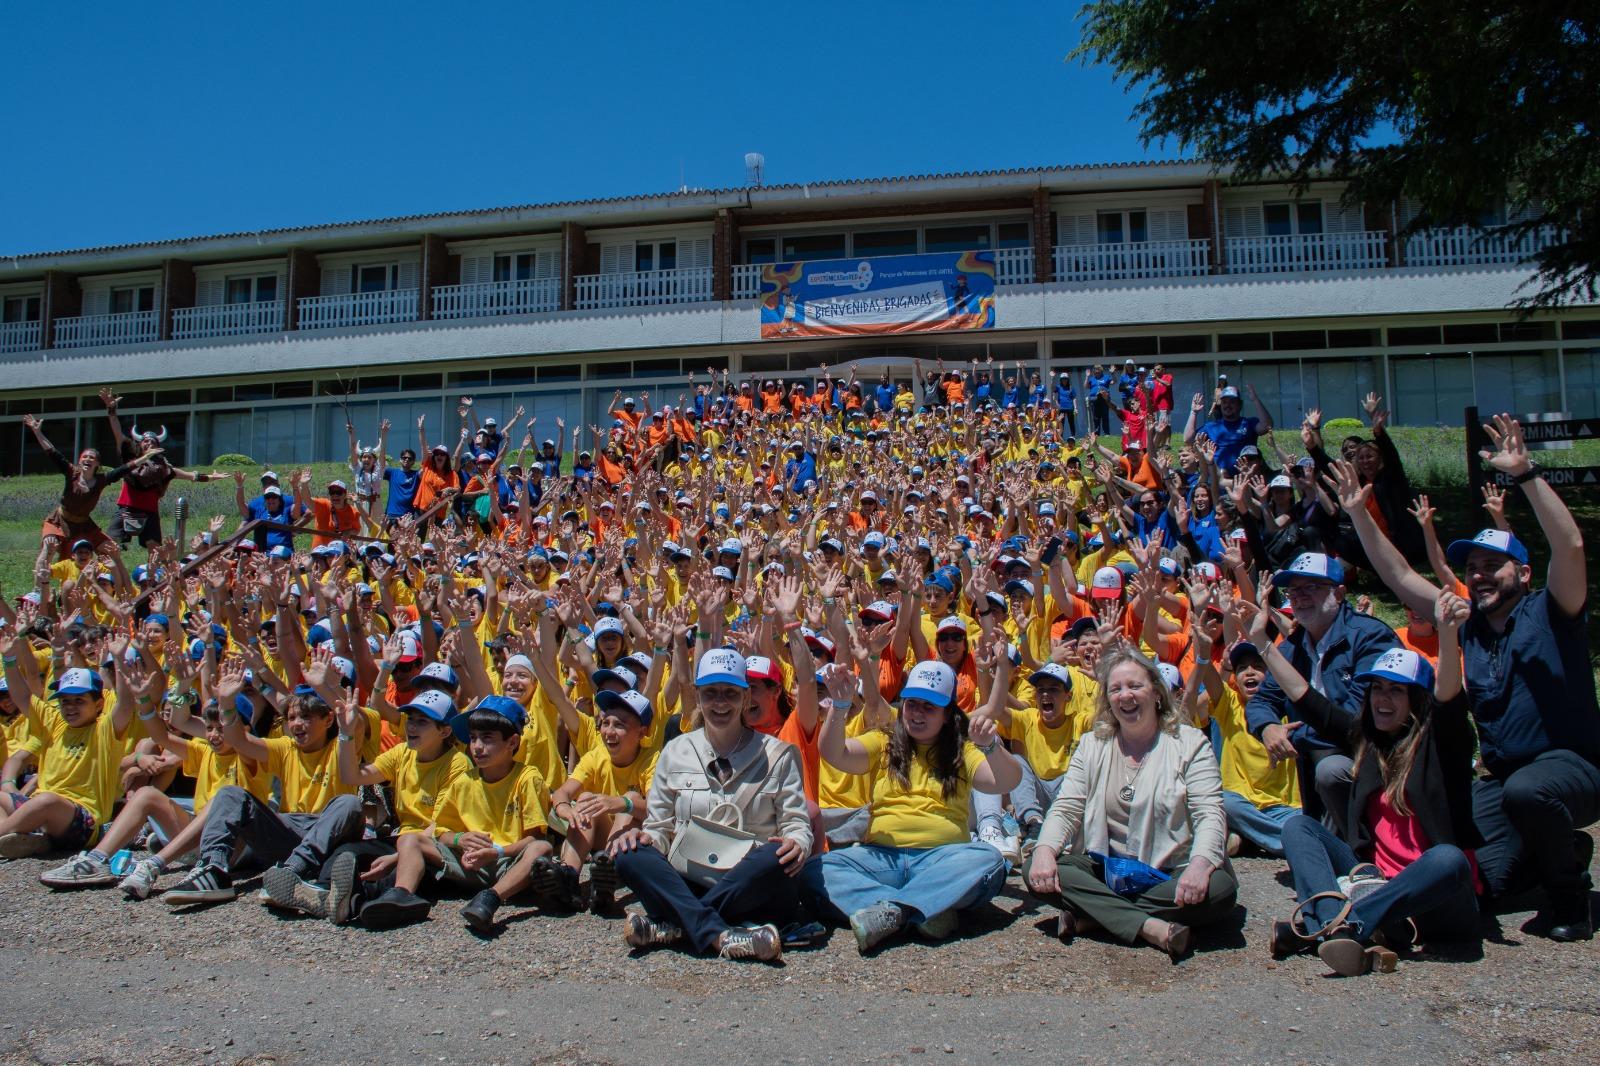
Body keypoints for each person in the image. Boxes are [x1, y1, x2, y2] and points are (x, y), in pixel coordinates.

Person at [1328, 419, 1600, 941]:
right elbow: (1399, 576)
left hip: (1573, 767)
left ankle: (1571, 902)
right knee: (1483, 880)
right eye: (1471, 566)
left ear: (1522, 573)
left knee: (1529, 792)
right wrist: (1360, 514)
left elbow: (1569, 548)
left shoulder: (1554, 610)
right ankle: (1557, 855)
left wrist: (1526, 474)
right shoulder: (1466, 623)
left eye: (1492, 565)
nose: (1478, 574)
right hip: (1502, 778)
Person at [1251, 591, 1482, 975]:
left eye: (1395, 690)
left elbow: (1449, 701)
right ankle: (1342, 926)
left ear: (1418, 701)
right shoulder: (1367, 740)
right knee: (1299, 826)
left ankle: (1338, 927)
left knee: (1448, 859)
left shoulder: (1442, 746)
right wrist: (1261, 643)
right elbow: (1308, 699)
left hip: (1434, 900)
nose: (1382, 699)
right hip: (1374, 882)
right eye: (1376, 688)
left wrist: (1447, 631)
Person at [801, 658, 1022, 954]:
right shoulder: (884, 741)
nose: (917, 713)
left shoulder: (963, 749)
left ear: (947, 714)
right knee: (815, 870)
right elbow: (834, 753)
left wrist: (992, 746)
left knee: (989, 860)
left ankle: (894, 910)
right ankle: (923, 908)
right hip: (881, 859)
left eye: (929, 706)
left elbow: (1004, 782)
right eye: (912, 703)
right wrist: (840, 707)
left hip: (942, 859)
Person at [1026, 647, 1235, 960]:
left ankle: (1095, 915)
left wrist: (1200, 866)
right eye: (1116, 688)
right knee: (1036, 868)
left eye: (1135, 686)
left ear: (1156, 693)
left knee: (1220, 890)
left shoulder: (1190, 744)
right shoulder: (1093, 744)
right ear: (1107, 699)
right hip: (1109, 869)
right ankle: (1150, 927)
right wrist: (1044, 851)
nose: (1126, 696)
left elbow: (1209, 814)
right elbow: (1067, 806)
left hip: (1172, 870)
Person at [608, 648, 811, 962]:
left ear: (746, 698)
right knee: (628, 853)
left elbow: (796, 821)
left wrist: (798, 841)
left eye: (730, 693)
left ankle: (677, 924)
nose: (720, 703)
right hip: (691, 877)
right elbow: (659, 827)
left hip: (751, 884)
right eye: (711, 693)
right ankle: (721, 934)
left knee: (778, 855)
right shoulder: (675, 752)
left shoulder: (778, 754)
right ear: (698, 696)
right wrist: (647, 839)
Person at [1243, 552, 1398, 832]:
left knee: (1329, 768)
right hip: (1315, 758)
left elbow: (1356, 723)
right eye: (1293, 590)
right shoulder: (1292, 647)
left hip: (1373, 757)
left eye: (1311, 587)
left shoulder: (1370, 637)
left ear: (1339, 593)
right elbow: (1262, 701)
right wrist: (1267, 727)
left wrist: (1293, 734)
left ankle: (1362, 853)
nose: (1299, 596)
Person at [0, 663, 135, 859]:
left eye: (79, 700)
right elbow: (22, 696)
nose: (70, 706)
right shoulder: (54, 722)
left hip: (83, 822)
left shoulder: (105, 730)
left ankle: (16, 832)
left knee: (47, 801)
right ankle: (34, 838)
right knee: (6, 797)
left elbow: (125, 705)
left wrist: (120, 659)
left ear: (98, 704)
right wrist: (10, 658)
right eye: (65, 701)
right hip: (41, 809)